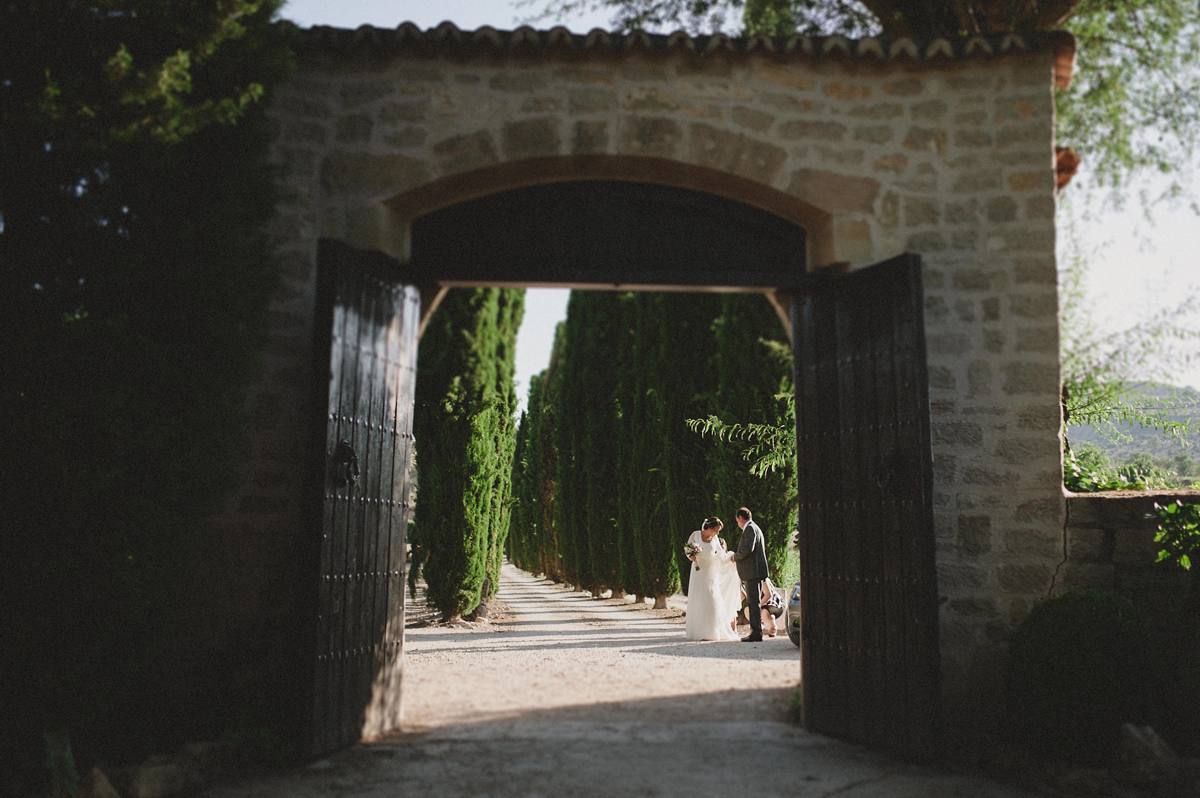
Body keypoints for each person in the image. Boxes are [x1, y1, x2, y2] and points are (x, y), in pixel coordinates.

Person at [684, 517, 741, 642]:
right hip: (698, 572)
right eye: (716, 530)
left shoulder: (714, 539)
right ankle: (698, 632)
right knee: (698, 600)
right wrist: (691, 556)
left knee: (712, 599)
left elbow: (721, 554)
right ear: (709, 527)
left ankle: (712, 631)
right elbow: (687, 549)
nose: (717, 533)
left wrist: (730, 558)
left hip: (711, 572)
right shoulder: (696, 535)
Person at [732, 507, 770, 643]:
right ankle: (755, 631)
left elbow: (748, 548)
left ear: (741, 518)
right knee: (754, 602)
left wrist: (735, 557)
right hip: (754, 572)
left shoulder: (750, 529)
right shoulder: (754, 528)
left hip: (753, 572)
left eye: (738, 521)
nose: (738, 524)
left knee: (753, 603)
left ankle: (756, 632)